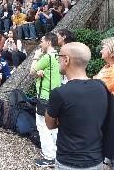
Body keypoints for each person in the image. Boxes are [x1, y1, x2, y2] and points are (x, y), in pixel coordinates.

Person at [45, 42, 108, 170]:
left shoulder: (60, 93)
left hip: (68, 162)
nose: (58, 61)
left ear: (66, 60)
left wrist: (61, 119)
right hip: (96, 160)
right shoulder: (101, 87)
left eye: (59, 56)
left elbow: (50, 124)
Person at [30, 33, 61, 167]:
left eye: (42, 41)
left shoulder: (47, 57)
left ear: (48, 42)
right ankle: (57, 152)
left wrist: (36, 57)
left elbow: (31, 71)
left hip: (45, 95)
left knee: (43, 126)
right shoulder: (58, 55)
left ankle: (49, 157)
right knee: (54, 126)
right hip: (56, 94)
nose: (40, 44)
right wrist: (40, 73)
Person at [94, 37, 114, 169]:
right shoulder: (108, 67)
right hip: (112, 113)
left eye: (104, 47)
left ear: (112, 52)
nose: (101, 50)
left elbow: (100, 88)